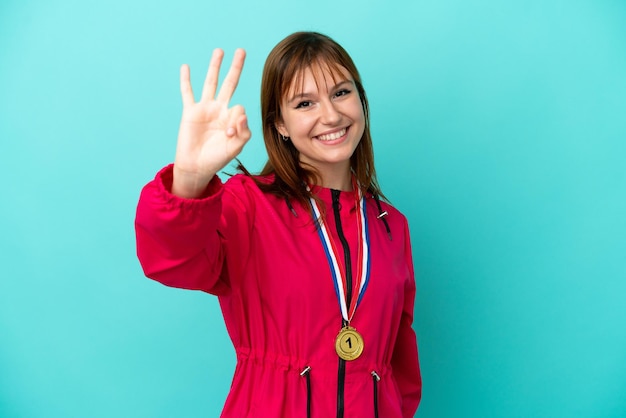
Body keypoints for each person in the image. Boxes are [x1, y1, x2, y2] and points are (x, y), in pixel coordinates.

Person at [135, 31, 421, 418]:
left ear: (361, 100)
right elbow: (172, 260)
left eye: (341, 93)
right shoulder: (247, 205)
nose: (332, 116)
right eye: (305, 103)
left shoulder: (391, 228)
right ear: (280, 124)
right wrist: (189, 178)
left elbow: (399, 370)